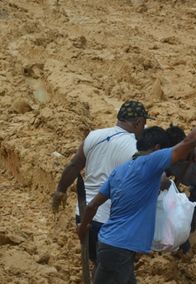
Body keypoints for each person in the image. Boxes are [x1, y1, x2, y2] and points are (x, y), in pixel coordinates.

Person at [64, 90, 196, 284]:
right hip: (120, 246)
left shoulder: (121, 171)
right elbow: (190, 142)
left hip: (111, 242)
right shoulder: (150, 163)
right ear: (156, 148)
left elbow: (93, 204)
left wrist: (83, 227)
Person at [51, 100, 150, 263]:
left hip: (84, 217)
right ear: (138, 123)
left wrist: (60, 190)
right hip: (112, 222)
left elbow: (74, 165)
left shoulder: (94, 136)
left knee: (100, 264)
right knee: (112, 270)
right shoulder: (136, 149)